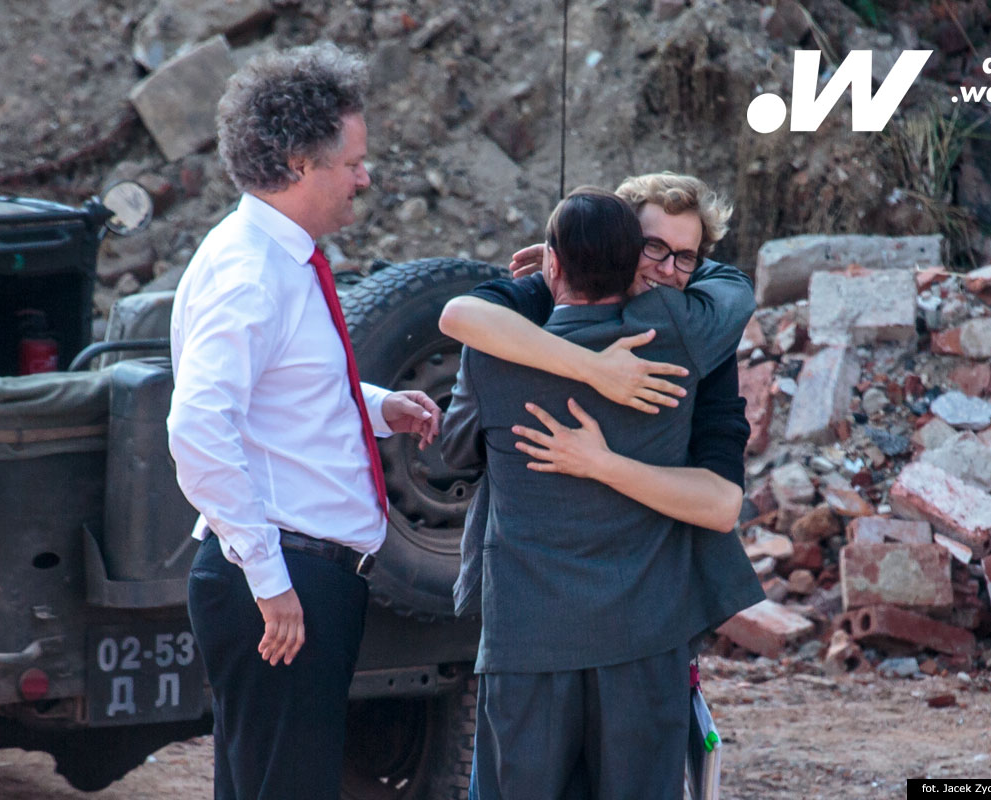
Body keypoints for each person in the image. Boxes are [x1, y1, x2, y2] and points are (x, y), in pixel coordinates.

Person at [166, 44, 440, 800]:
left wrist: (377, 406)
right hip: (283, 576)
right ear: (295, 162)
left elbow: (283, 389)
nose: (366, 176)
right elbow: (197, 427)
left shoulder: (278, 258)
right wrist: (268, 578)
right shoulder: (252, 270)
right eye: (352, 161)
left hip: (300, 570)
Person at [440, 187, 754, 798]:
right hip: (645, 633)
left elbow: (454, 452)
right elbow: (736, 290)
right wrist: (596, 371)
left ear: (556, 262)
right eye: (652, 249)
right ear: (625, 250)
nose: (666, 270)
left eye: (682, 258)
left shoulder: (497, 346)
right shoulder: (687, 336)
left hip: (525, 638)